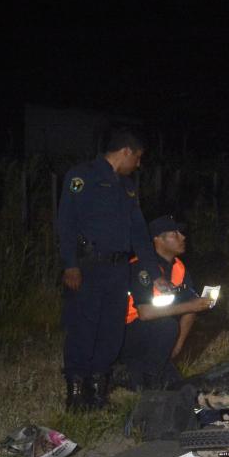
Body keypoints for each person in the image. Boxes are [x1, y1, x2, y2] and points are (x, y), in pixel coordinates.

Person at [56, 126, 159, 410]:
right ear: (125, 152)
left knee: (111, 330)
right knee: (83, 328)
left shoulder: (127, 187)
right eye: (137, 157)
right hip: (88, 267)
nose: (138, 164)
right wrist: (70, 265)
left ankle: (98, 391)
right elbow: (66, 224)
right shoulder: (82, 177)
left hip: (118, 269)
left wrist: (152, 269)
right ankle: (76, 392)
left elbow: (139, 232)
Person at [118, 215, 214, 390]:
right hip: (126, 333)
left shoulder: (179, 267)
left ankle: (153, 371)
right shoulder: (141, 268)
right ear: (157, 239)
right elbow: (145, 313)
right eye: (174, 234)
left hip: (155, 334)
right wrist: (191, 306)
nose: (182, 237)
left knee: (176, 382)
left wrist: (176, 347)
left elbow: (191, 306)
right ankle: (148, 378)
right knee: (167, 326)